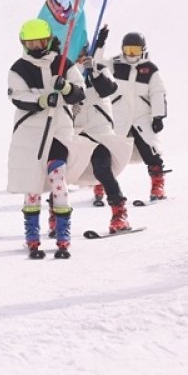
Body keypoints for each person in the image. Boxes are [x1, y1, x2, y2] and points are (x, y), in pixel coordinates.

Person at [7, 18, 91, 258]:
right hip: (31, 131)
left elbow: (79, 94)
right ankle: (32, 237)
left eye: (39, 41)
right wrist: (42, 100)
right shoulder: (19, 68)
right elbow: (17, 97)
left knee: (57, 175)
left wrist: (66, 90)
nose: (35, 46)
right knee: (32, 183)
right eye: (30, 42)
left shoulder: (64, 64)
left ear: (48, 40)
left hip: (59, 130)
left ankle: (63, 236)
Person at [98, 28, 171, 201]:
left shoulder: (150, 69)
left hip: (141, 117)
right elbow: (97, 63)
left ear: (143, 50)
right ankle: (100, 184)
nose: (131, 55)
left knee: (150, 150)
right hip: (119, 116)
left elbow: (158, 92)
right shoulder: (116, 64)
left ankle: (157, 184)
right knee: (108, 150)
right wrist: (100, 43)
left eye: (135, 51)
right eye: (128, 50)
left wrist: (158, 116)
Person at [72, 44, 135, 233]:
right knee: (61, 171)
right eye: (77, 56)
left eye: (83, 54)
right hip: (76, 130)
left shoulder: (98, 68)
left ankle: (119, 213)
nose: (80, 59)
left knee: (103, 168)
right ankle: (57, 217)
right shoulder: (66, 72)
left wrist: (94, 72)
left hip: (99, 129)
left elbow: (108, 89)